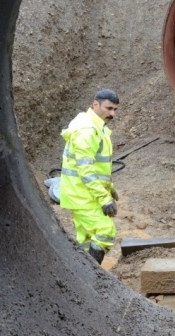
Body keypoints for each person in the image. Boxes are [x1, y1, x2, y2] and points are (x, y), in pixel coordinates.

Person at [59, 89, 120, 265]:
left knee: (85, 240)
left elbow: (97, 166)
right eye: (109, 108)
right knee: (105, 232)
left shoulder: (96, 127)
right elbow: (85, 170)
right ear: (95, 104)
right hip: (82, 195)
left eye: (115, 109)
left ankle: (81, 279)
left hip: (83, 193)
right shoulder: (87, 130)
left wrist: (109, 188)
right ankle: (93, 280)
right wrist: (104, 199)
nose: (112, 114)